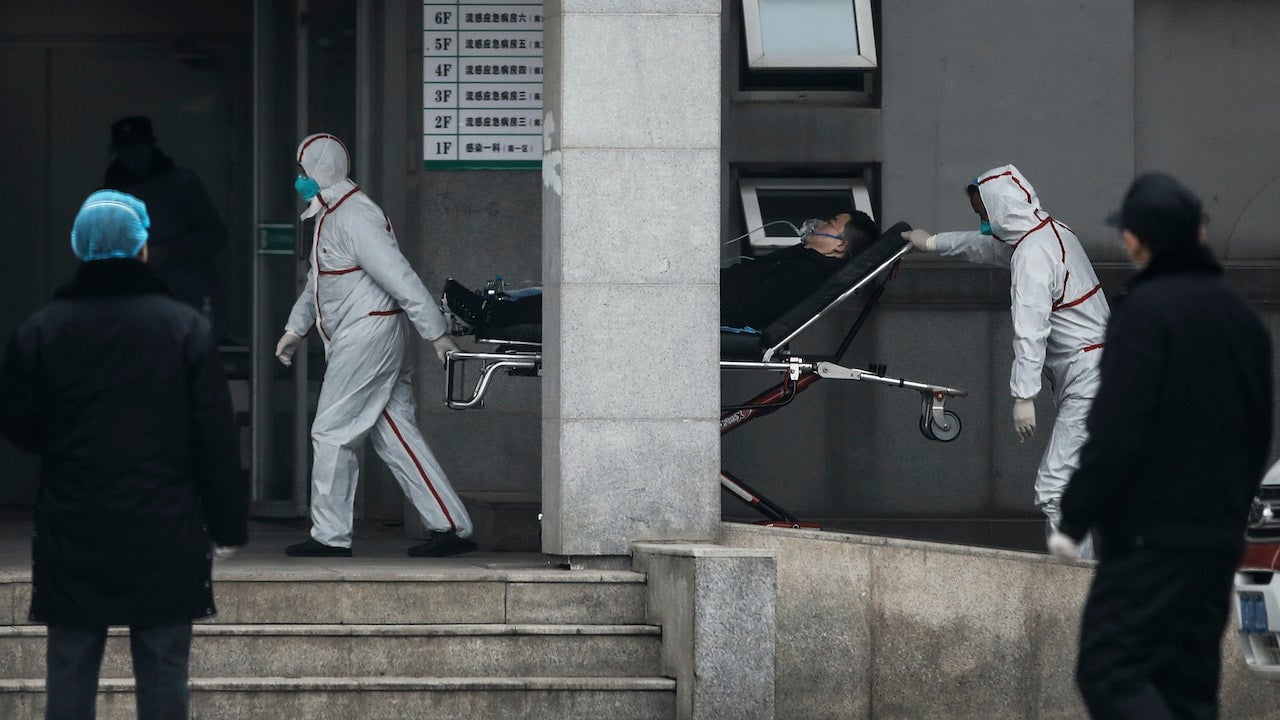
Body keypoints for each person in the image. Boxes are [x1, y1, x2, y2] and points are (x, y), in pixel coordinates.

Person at [0, 190, 248, 720]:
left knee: (70, 665)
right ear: (141, 249)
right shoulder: (185, 327)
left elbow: (17, 421)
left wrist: (66, 440)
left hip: (74, 521)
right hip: (165, 523)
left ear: (80, 248)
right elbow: (215, 437)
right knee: (162, 672)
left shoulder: (42, 329)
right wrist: (228, 525)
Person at [1049, 173, 1272, 720]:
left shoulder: (1144, 312)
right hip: (1217, 537)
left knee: (1110, 667)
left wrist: (1075, 516)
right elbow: (1257, 431)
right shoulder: (1243, 320)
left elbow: (1117, 425)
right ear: (1197, 232)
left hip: (1150, 535)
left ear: (1134, 240)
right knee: (1189, 686)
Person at [275, 133, 473, 558]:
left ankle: (329, 536)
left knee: (330, 431)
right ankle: (450, 526)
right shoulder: (332, 214)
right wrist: (295, 329)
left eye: (301, 171)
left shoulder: (354, 217)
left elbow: (398, 275)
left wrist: (436, 332)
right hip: (369, 336)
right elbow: (318, 283)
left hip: (367, 337)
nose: (298, 180)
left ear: (316, 171)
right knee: (395, 433)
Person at [902, 165, 1109, 557]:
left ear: (1000, 210)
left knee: (1056, 488)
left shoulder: (1032, 256)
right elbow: (986, 246)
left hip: (1090, 377)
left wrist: (1023, 395)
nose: (982, 222)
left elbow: (1031, 328)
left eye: (984, 214)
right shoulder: (1049, 233)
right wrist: (933, 243)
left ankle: (1075, 591)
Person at [442, 211, 881, 332]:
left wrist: (690, 294)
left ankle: (490, 314)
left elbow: (748, 304)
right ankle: (493, 309)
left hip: (699, 309)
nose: (819, 224)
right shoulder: (801, 262)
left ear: (840, 245)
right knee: (592, 291)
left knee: (593, 299)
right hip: (696, 300)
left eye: (830, 224)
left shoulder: (806, 274)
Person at [102, 116, 228, 329]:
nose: (133, 153)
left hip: (185, 298)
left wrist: (167, 253)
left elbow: (215, 236)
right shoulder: (110, 194)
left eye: (138, 145)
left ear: (150, 144)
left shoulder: (183, 184)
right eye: (126, 147)